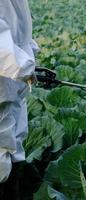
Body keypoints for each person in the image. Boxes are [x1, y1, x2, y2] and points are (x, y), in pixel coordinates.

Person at [0, 0, 38, 186]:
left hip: (12, 80)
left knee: (14, 138)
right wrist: (25, 67)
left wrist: (29, 55)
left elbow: (19, 26)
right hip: (5, 76)